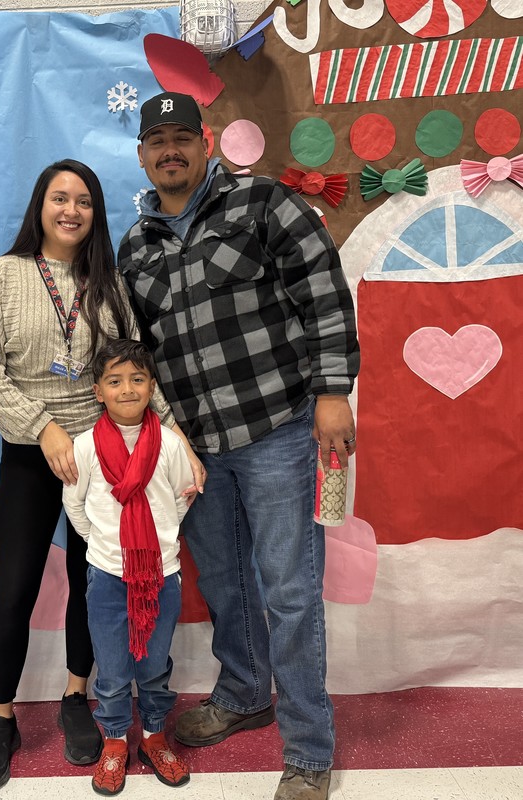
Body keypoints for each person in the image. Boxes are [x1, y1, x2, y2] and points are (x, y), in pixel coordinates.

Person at [118, 93, 360, 800]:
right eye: (156, 140)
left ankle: (309, 749)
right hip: (197, 452)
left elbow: (323, 293)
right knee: (224, 586)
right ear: (141, 154)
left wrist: (332, 390)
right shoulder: (137, 245)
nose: (170, 151)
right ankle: (246, 692)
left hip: (279, 434)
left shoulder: (262, 204)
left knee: (288, 594)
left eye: (181, 138)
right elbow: (138, 352)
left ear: (206, 142)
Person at [0, 159, 204, 793]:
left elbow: (133, 365)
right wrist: (42, 426)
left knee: (91, 581)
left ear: (95, 215)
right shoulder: (5, 275)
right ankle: (2, 716)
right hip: (33, 453)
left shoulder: (107, 280)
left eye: (84, 202)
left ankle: (78, 696)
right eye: (59, 198)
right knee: (14, 587)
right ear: (40, 207)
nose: (71, 210)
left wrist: (173, 431)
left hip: (103, 453)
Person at [62, 338, 192, 796]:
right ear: (98, 391)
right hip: (106, 578)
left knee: (155, 665)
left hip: (162, 575)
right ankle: (115, 739)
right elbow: (74, 507)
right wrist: (107, 548)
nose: (127, 389)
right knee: (114, 670)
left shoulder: (171, 445)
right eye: (115, 381)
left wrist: (155, 545)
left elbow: (179, 498)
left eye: (138, 379)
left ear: (151, 386)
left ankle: (154, 735)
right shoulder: (84, 447)